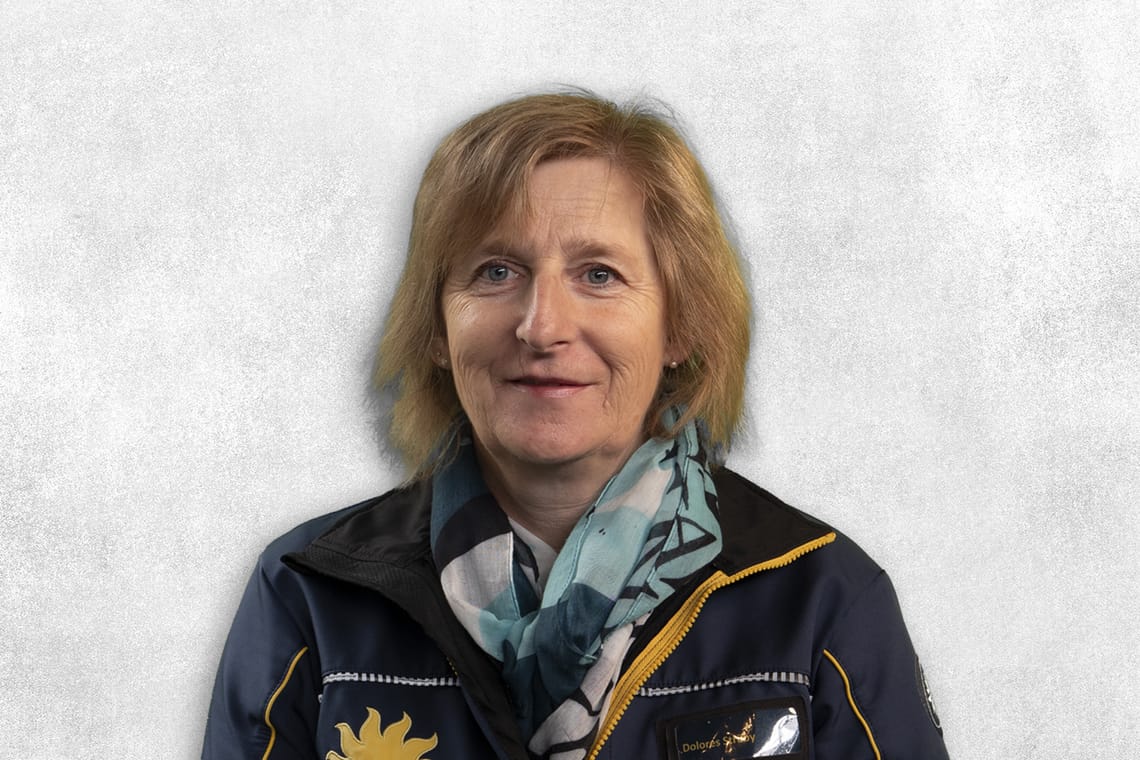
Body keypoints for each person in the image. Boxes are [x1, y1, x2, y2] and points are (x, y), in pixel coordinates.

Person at [203, 91, 950, 760]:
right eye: (496, 271)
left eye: (599, 274)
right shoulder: (308, 596)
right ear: (435, 328)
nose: (542, 326)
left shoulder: (820, 599)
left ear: (680, 326)